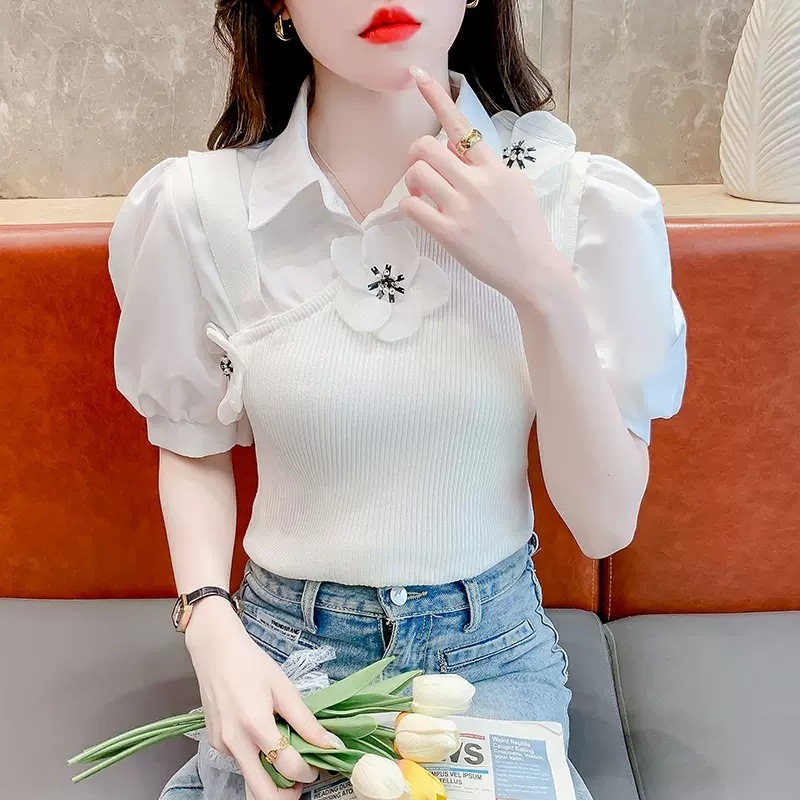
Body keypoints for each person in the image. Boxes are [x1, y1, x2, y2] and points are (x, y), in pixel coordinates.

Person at [108, 1, 688, 798]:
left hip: (489, 659)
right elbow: (190, 443)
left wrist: (541, 285)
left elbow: (604, 523)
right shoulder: (200, 211)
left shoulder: (579, 201)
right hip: (283, 652)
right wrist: (210, 626)